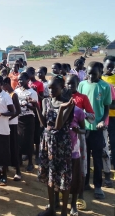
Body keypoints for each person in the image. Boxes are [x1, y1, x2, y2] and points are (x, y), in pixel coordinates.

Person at [32, 75, 74, 216]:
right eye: (49, 88)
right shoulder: (45, 101)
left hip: (61, 144)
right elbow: (44, 123)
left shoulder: (68, 103)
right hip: (47, 142)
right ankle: (51, 208)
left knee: (63, 176)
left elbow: (58, 126)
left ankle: (63, 212)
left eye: (54, 88)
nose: (51, 91)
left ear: (62, 88)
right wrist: (37, 107)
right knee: (50, 175)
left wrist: (61, 109)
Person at [78, 62, 111, 200]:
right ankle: (85, 183)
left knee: (97, 159)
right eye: (88, 73)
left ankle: (97, 186)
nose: (90, 76)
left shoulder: (105, 86)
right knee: (83, 158)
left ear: (100, 72)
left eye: (93, 73)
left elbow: (106, 108)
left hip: (97, 130)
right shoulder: (82, 84)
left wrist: (102, 121)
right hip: (83, 129)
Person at [65, 74, 95, 210]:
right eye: (68, 84)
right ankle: (63, 192)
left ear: (78, 84)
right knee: (65, 167)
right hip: (64, 139)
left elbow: (92, 117)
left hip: (78, 139)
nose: (70, 86)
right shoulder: (62, 97)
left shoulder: (82, 98)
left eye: (73, 84)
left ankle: (80, 195)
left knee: (80, 167)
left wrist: (81, 112)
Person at [0, 75, 15, 186]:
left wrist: (2, 114)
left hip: (3, 130)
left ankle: (4, 175)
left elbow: (13, 111)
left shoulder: (6, 96)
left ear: (1, 83)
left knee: (4, 154)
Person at [14, 72, 38, 172]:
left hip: (29, 118)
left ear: (28, 80)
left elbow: (35, 107)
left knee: (29, 141)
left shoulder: (32, 92)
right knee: (19, 140)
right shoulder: (16, 91)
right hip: (19, 119)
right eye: (18, 79)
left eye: (21, 79)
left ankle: (30, 163)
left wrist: (27, 106)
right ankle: (19, 160)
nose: (19, 81)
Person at [2, 77, 22, 181]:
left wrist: (9, 118)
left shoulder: (13, 95)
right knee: (7, 147)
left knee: (14, 147)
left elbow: (17, 111)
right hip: (5, 124)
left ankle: (18, 171)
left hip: (12, 124)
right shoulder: (5, 95)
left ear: (6, 84)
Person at [69, 105, 86, 216]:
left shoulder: (78, 111)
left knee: (75, 177)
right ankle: (55, 201)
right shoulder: (53, 107)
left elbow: (84, 130)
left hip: (73, 150)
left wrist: (78, 130)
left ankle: (73, 204)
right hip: (58, 149)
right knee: (56, 176)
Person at [26, 67, 44, 165]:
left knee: (36, 133)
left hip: (36, 111)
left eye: (29, 73)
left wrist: (35, 91)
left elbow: (42, 98)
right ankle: (29, 151)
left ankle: (37, 155)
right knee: (29, 133)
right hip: (28, 111)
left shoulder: (39, 84)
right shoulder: (27, 84)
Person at [101, 56, 115, 170]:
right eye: (108, 66)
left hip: (114, 115)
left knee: (113, 140)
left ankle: (113, 162)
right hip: (103, 116)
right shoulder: (99, 79)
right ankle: (104, 164)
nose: (110, 69)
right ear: (103, 65)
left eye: (112, 67)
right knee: (104, 142)